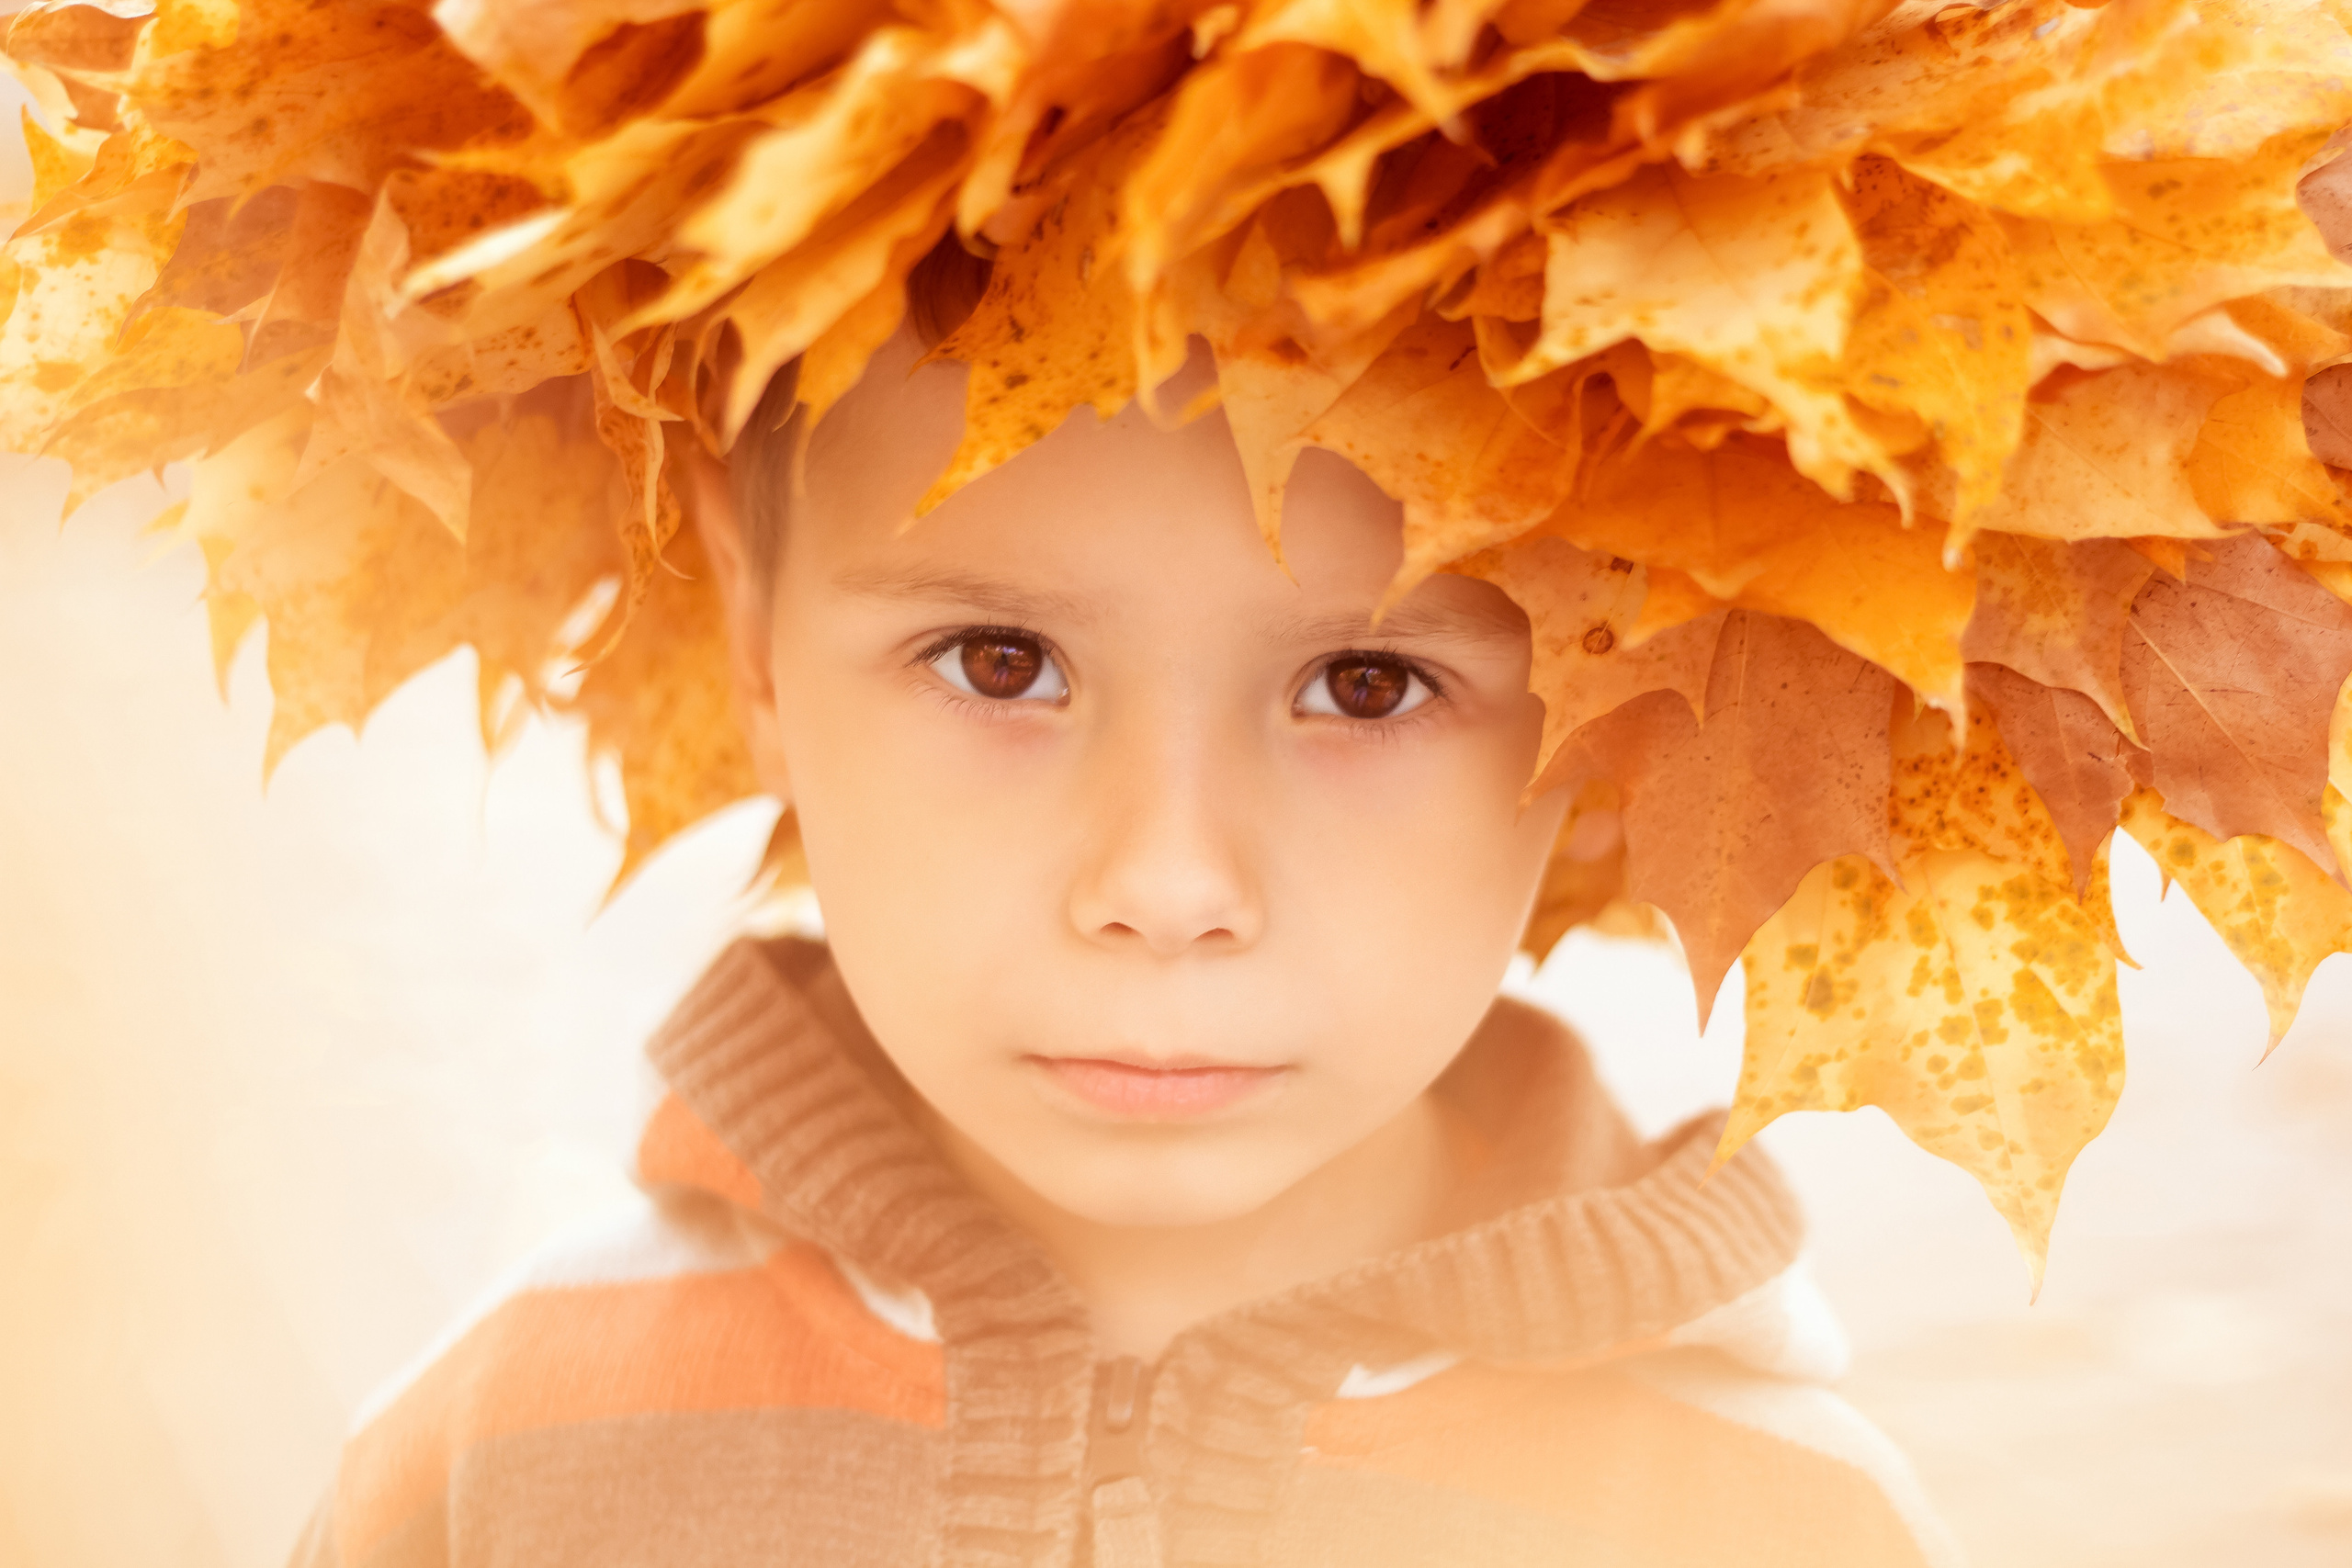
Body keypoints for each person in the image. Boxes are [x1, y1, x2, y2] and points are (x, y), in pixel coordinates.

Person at [281, 254, 1959, 1567]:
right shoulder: (501, 1456)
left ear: (1628, 676)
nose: (1167, 887)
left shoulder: (1786, 1527)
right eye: (999, 663)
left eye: (1367, 683)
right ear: (751, 622)